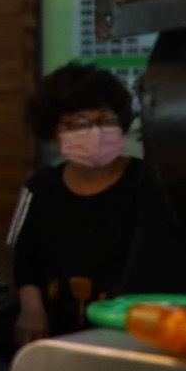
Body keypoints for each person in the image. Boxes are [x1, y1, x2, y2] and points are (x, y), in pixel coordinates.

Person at [10, 64, 142, 344]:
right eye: (79, 123)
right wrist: (31, 308)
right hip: (58, 332)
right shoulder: (39, 187)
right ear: (53, 132)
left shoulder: (149, 184)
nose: (96, 131)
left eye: (106, 119)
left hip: (131, 333)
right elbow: (24, 256)